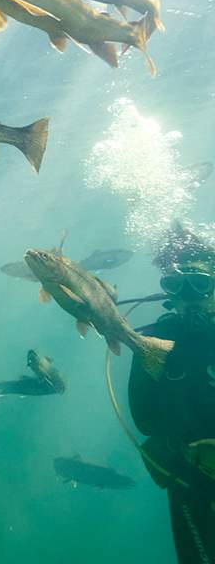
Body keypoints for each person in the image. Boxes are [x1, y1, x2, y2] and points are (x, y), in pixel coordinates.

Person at [128, 225, 215, 563]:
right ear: (169, 292)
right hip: (187, 478)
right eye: (178, 285)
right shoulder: (155, 343)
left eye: (202, 284)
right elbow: (144, 421)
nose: (191, 295)